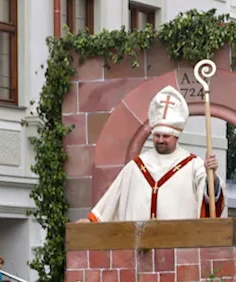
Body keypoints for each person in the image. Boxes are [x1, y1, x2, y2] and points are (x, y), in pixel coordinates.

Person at [87, 87, 224, 222]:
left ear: (176, 137)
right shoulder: (136, 166)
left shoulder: (194, 165)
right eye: (157, 135)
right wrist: (92, 221)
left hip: (178, 241)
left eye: (165, 136)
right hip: (140, 242)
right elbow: (112, 199)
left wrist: (211, 177)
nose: (160, 140)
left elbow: (210, 199)